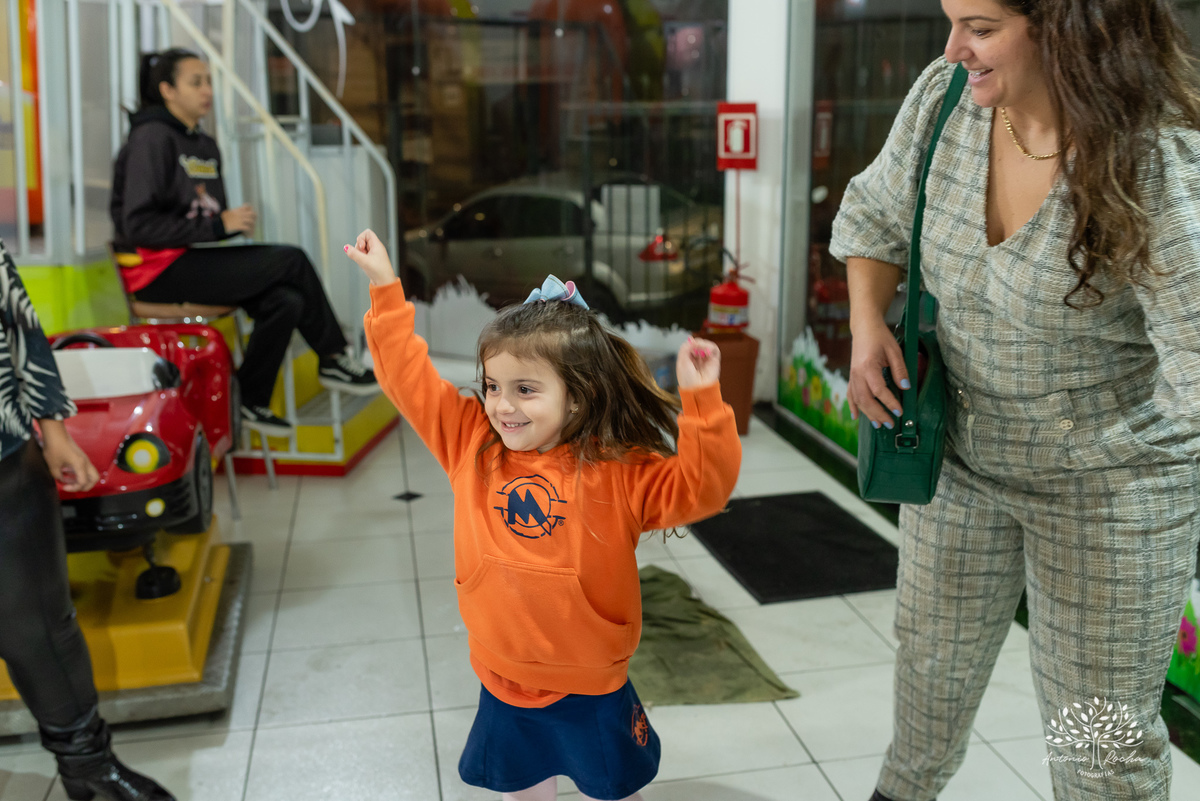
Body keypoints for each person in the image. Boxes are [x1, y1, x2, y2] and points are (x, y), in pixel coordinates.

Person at [833, 1, 1200, 799]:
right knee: (931, 674)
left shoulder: (1153, 160)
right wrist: (868, 327)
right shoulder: (945, 102)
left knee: (1094, 732)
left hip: (1109, 492)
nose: (953, 46)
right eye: (950, 19)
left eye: (981, 25)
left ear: (1071, 27)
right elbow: (874, 218)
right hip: (960, 461)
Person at [345, 228, 740, 801]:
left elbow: (704, 488)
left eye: (525, 389)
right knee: (523, 787)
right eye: (491, 386)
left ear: (576, 395)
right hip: (502, 677)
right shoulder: (468, 442)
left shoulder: (617, 470)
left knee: (611, 789)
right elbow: (407, 378)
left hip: (592, 685)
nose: (502, 405)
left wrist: (703, 402)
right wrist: (385, 288)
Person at [110, 48, 378, 436]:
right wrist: (219, 225)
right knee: (291, 260)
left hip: (190, 258)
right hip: (155, 273)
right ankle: (334, 357)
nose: (207, 91)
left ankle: (250, 400)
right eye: (195, 82)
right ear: (167, 90)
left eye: (208, 82)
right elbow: (138, 226)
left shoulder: (202, 143)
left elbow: (201, 214)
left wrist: (224, 224)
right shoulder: (151, 138)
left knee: (288, 300)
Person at [0, 241, 175, 801]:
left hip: (6, 452)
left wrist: (54, 431)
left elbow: (18, 320)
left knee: (44, 627)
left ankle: (89, 771)